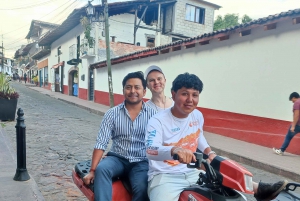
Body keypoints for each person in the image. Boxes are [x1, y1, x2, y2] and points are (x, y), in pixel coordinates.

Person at [146, 72, 288, 201]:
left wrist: (209, 152)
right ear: (174, 93)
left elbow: (198, 135)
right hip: (164, 177)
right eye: (184, 94)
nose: (190, 100)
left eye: (194, 95)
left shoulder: (197, 115)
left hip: (193, 172)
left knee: (223, 171)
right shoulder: (158, 121)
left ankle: (258, 189)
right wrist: (174, 150)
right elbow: (150, 150)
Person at [83, 71, 156, 201]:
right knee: (102, 170)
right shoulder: (112, 114)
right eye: (128, 87)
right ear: (123, 90)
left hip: (141, 161)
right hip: (117, 158)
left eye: (137, 87)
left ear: (144, 91)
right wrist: (93, 170)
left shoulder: (154, 115)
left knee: (143, 187)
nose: (132, 91)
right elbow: (101, 143)